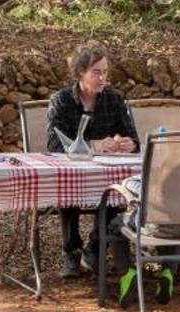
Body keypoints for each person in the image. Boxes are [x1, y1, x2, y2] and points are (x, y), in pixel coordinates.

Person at [45, 42, 137, 277]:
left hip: (105, 173)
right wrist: (96, 146)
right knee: (67, 190)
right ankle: (71, 253)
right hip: (73, 173)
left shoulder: (114, 100)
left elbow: (133, 138)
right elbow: (55, 146)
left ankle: (95, 249)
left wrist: (129, 144)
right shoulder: (62, 101)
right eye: (96, 72)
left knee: (117, 192)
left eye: (105, 72)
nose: (102, 78)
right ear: (80, 73)